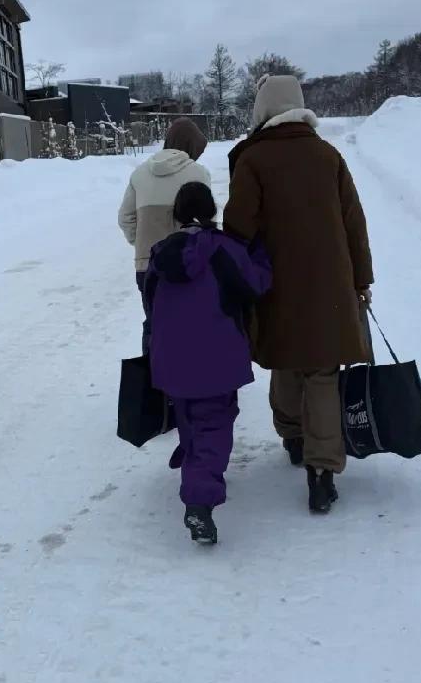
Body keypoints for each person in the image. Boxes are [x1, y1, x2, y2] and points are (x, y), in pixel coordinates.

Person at [223, 74, 374, 515]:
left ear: (263, 110)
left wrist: (232, 277)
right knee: (322, 371)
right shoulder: (329, 156)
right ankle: (322, 471)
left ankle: (292, 436)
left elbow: (239, 227)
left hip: (276, 284)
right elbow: (354, 224)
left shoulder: (253, 160)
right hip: (329, 284)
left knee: (286, 359)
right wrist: (360, 279)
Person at [145, 182, 272, 544]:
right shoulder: (224, 250)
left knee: (188, 415)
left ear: (177, 214)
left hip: (170, 356)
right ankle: (199, 501)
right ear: (211, 211)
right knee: (214, 424)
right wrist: (260, 251)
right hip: (216, 356)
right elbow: (256, 284)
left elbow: (150, 304)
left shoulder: (159, 255)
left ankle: (194, 465)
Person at [117, 118, 211, 354]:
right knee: (192, 322)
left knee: (153, 322)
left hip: (147, 266)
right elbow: (205, 221)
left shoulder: (140, 173)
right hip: (189, 262)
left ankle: (151, 382)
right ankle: (189, 379)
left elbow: (125, 218)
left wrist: (141, 244)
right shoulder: (198, 173)